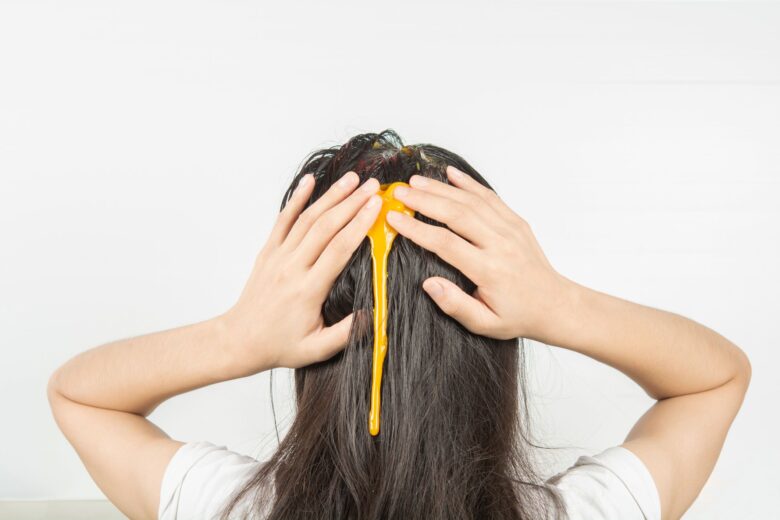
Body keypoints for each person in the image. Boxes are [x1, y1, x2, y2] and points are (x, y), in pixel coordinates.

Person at [48, 130, 751, 520]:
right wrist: (559, 303)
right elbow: (716, 380)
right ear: (492, 354)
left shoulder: (229, 508)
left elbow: (79, 396)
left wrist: (236, 337)